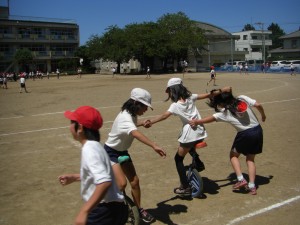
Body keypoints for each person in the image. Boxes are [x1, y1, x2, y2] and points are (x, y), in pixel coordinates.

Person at [145, 78, 230, 196]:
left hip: (189, 134)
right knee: (190, 146)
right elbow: (208, 95)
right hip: (200, 132)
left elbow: (164, 116)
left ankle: (185, 187)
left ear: (172, 91)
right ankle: (198, 162)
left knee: (178, 159)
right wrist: (222, 90)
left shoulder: (175, 105)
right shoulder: (191, 97)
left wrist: (151, 122)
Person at [104, 88, 166, 223]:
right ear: (136, 103)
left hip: (122, 152)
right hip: (110, 153)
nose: (146, 110)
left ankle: (138, 209)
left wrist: (142, 123)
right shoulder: (125, 117)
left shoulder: (131, 114)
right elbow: (135, 133)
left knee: (135, 182)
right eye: (145, 106)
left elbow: (132, 124)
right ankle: (113, 206)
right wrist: (154, 145)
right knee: (121, 184)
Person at [58, 106, 128, 225]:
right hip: (116, 209)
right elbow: (101, 175)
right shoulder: (97, 146)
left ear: (79, 127)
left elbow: (104, 181)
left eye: (71, 123)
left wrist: (84, 211)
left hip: (102, 212)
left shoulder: (89, 149)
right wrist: (75, 177)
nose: (69, 127)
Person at [189, 89, 266, 195]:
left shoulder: (225, 112)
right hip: (258, 130)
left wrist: (196, 121)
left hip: (244, 134)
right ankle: (252, 186)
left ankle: (240, 179)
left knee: (233, 155)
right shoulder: (242, 98)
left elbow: (211, 118)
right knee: (250, 159)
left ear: (221, 102)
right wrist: (263, 115)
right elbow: (258, 104)